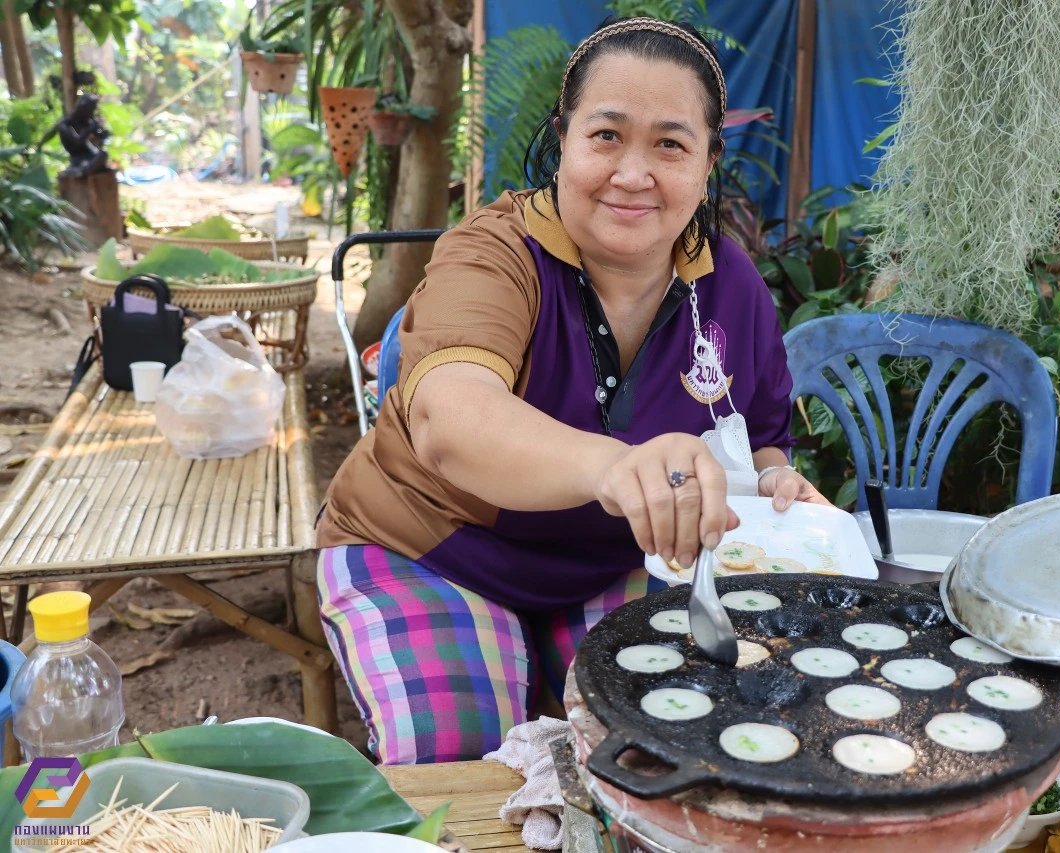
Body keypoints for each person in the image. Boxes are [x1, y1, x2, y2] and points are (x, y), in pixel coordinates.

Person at [316, 16, 828, 765]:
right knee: (457, 754)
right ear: (564, 139)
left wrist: (772, 480)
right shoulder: (494, 254)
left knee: (679, 737)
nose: (632, 173)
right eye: (607, 136)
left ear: (709, 161)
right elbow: (449, 417)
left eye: (671, 144)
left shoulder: (730, 285)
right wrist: (616, 466)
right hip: (430, 547)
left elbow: (758, 435)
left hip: (608, 561)